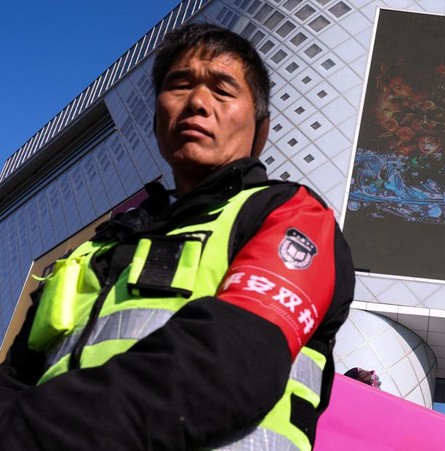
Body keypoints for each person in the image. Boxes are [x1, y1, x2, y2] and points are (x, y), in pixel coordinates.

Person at [0, 23, 354, 450]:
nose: (198, 103)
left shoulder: (291, 214)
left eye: (223, 90)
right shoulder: (94, 250)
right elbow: (15, 378)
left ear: (260, 128)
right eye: (179, 86)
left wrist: (31, 433)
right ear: (155, 120)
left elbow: (233, 361)